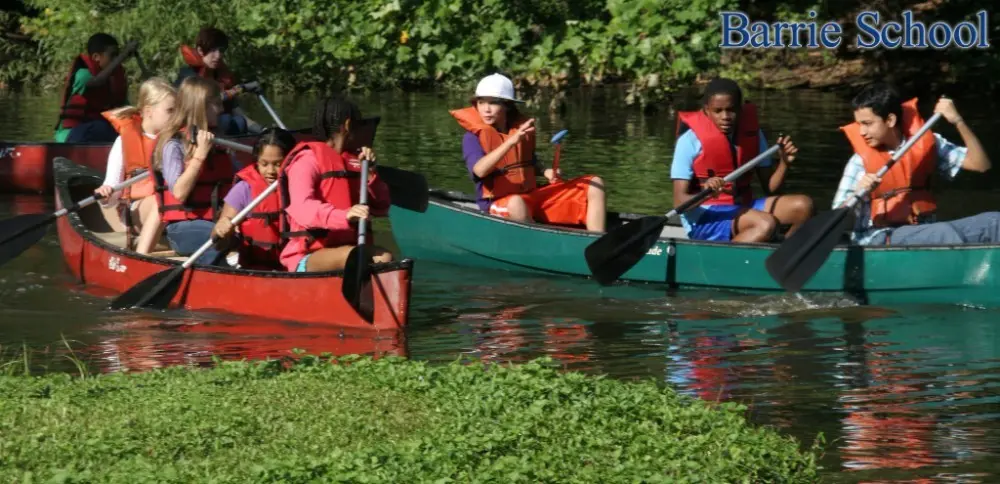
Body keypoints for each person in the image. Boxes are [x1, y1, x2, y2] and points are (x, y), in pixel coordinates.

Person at [834, 83, 996, 246]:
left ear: (890, 120)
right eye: (859, 124)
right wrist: (857, 194)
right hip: (881, 237)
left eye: (867, 123)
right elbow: (837, 223)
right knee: (941, 233)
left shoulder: (926, 143)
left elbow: (980, 164)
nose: (862, 132)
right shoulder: (859, 162)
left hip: (926, 230)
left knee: (994, 222)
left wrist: (958, 121)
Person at [451, 73, 607, 232]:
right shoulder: (472, 138)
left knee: (594, 184)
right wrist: (510, 142)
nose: (486, 109)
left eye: (493, 103)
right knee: (516, 203)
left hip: (531, 196)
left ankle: (596, 242)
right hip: (498, 203)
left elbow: (529, 163)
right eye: (481, 102)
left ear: (507, 105)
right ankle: (540, 245)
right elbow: (480, 170)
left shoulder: (518, 130)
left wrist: (545, 172)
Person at [670, 77, 814, 243]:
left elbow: (770, 189)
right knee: (766, 224)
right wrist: (706, 193)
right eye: (718, 111)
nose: (725, 116)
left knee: (804, 206)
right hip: (704, 216)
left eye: (731, 110)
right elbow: (679, 202)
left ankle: (784, 260)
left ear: (740, 109)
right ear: (706, 110)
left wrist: (784, 164)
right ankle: (725, 262)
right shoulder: (688, 141)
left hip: (744, 207)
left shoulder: (753, 135)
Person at [279, 95, 393, 272]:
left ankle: (378, 298)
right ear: (348, 125)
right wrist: (344, 216)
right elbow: (303, 208)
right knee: (353, 256)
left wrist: (370, 173)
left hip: (350, 251)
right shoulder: (306, 160)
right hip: (306, 255)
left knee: (384, 258)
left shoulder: (356, 161)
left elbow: (382, 207)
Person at [150, 76, 240, 266]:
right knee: (219, 235)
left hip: (219, 221)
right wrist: (199, 156)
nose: (222, 109)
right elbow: (179, 193)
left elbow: (241, 181)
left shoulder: (219, 142)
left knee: (244, 234)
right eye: (216, 104)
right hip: (183, 228)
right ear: (201, 106)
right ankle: (220, 277)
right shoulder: (173, 144)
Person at [93, 77, 177, 254]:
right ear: (148, 111)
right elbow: (112, 196)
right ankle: (142, 256)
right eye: (170, 111)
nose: (176, 117)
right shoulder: (123, 142)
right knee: (159, 201)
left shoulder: (177, 140)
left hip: (174, 208)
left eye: (177, 111)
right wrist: (106, 194)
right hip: (136, 210)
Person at [212, 128, 297, 270]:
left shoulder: (301, 184)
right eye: (264, 164)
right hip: (255, 268)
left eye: (278, 164)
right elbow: (218, 243)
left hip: (293, 266)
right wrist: (221, 228)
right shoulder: (244, 189)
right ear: (256, 161)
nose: (270, 171)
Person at [175, 26, 261, 135]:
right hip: (194, 131)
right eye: (213, 50)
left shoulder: (220, 76)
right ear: (200, 50)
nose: (218, 55)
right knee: (225, 120)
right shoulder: (189, 77)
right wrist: (239, 89)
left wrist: (262, 130)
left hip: (219, 129)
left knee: (239, 122)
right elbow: (199, 103)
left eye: (221, 50)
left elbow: (238, 112)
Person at [54, 33, 137, 143]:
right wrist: (124, 54)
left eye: (117, 55)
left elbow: (125, 109)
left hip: (97, 132)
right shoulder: (83, 75)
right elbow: (97, 81)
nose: (117, 60)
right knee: (103, 127)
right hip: (71, 134)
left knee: (133, 124)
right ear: (96, 57)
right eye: (113, 55)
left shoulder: (114, 80)